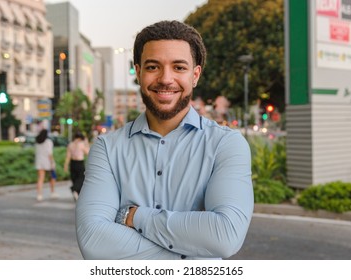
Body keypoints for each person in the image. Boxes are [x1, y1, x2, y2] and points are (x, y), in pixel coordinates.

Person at [76, 20, 254, 260]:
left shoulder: (226, 144)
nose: (165, 79)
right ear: (138, 72)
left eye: (179, 67)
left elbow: (225, 236)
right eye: (153, 67)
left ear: (195, 75)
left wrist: (135, 216)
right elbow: (94, 242)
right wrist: (190, 253)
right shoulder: (107, 148)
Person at [64, 131, 89, 200]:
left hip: (72, 163)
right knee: (81, 178)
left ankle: (76, 193)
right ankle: (74, 189)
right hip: (79, 163)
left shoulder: (70, 144)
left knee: (74, 178)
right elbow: (88, 153)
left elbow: (68, 156)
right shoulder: (81, 144)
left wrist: (66, 165)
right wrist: (86, 144)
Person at [34, 129, 57, 201]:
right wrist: (53, 162)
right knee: (52, 177)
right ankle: (52, 192)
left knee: (40, 179)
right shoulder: (48, 142)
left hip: (39, 162)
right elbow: (50, 154)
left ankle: (39, 195)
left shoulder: (37, 142)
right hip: (47, 162)